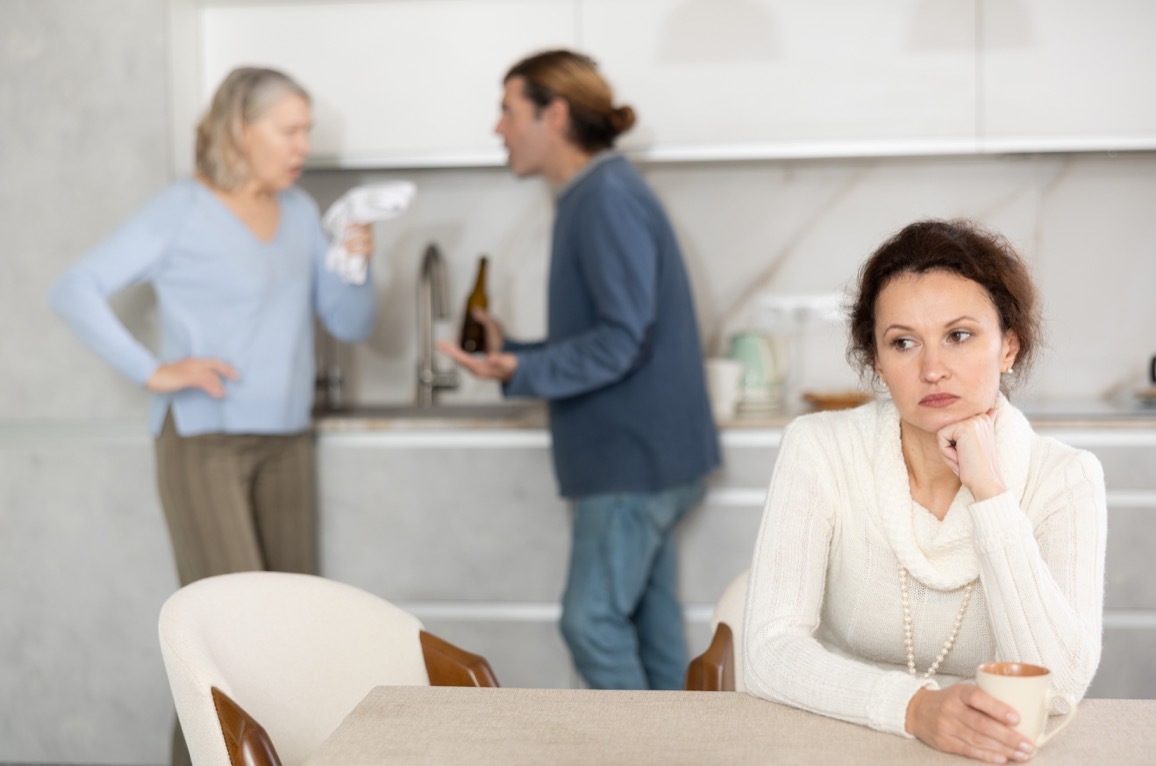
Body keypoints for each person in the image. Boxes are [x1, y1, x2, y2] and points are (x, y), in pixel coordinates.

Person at [741, 219, 1106, 764]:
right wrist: (913, 709)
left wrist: (991, 493)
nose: (933, 369)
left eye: (959, 336)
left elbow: (1058, 691)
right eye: (904, 343)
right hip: (839, 736)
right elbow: (767, 652)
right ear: (878, 362)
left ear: (1008, 346)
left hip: (989, 750)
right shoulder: (818, 447)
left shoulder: (1066, 478)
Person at [437, 49, 720, 691]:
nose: (497, 128)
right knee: (650, 630)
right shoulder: (599, 194)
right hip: (646, 457)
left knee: (590, 622)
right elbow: (618, 334)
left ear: (555, 115)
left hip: (630, 463)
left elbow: (621, 339)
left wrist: (523, 367)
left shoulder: (602, 198)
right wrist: (521, 357)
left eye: (508, 111)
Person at [50, 66, 377, 588]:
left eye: (308, 131)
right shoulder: (181, 209)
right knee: (232, 625)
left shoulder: (300, 213)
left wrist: (357, 266)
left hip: (288, 438)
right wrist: (151, 371)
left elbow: (351, 324)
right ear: (241, 130)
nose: (304, 147)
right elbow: (74, 288)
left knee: (300, 620)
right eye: (289, 132)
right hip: (204, 441)